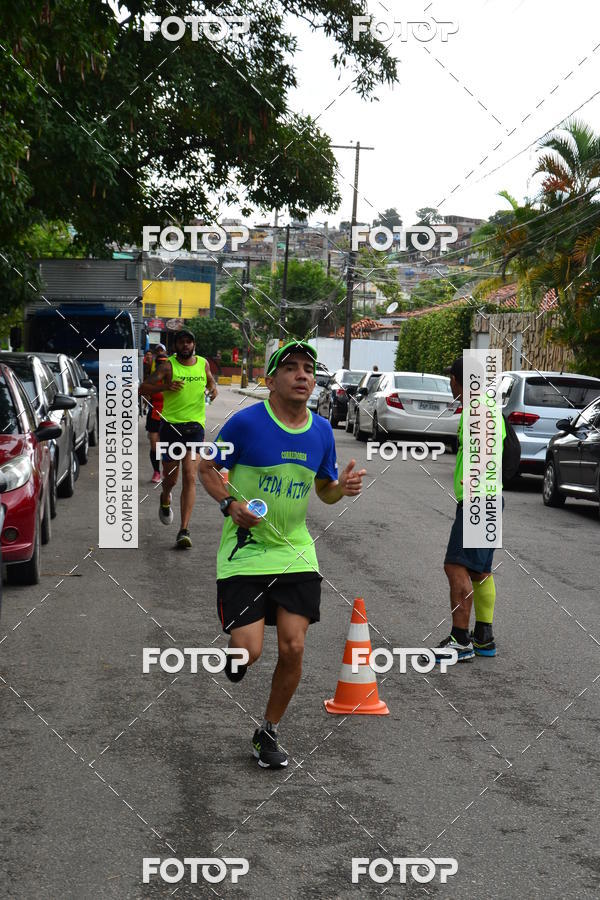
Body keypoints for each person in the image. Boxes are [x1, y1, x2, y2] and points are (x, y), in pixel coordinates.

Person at [199, 339, 366, 769]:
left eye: (308, 369)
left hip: (295, 552)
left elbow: (324, 493)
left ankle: (267, 731)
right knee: (247, 650)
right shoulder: (246, 424)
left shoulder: (322, 431)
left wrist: (340, 489)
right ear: (271, 380)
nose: (302, 375)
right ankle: (237, 660)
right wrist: (229, 506)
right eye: (290, 368)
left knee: (293, 647)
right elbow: (206, 468)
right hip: (246, 552)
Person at [437, 356, 505, 661]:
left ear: (456, 379)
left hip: (477, 499)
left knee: (455, 565)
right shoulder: (490, 410)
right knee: (481, 571)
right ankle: (484, 637)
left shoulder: (475, 412)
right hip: (491, 498)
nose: (450, 383)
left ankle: (460, 640)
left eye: (451, 378)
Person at [141, 329, 217, 548]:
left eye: (189, 342)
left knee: (190, 475)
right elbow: (142, 388)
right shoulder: (168, 366)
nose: (186, 345)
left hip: (195, 428)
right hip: (171, 428)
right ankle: (165, 497)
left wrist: (212, 389)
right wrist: (165, 386)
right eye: (182, 342)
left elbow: (211, 382)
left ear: (194, 344)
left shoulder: (203, 363)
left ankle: (184, 530)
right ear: (175, 346)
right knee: (171, 479)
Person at [144, 344, 168, 484]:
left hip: (170, 417)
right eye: (159, 363)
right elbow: (146, 396)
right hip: (154, 415)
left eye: (164, 363)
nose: (161, 366)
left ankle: (166, 469)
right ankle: (156, 472)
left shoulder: (173, 380)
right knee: (154, 445)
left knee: (166, 446)